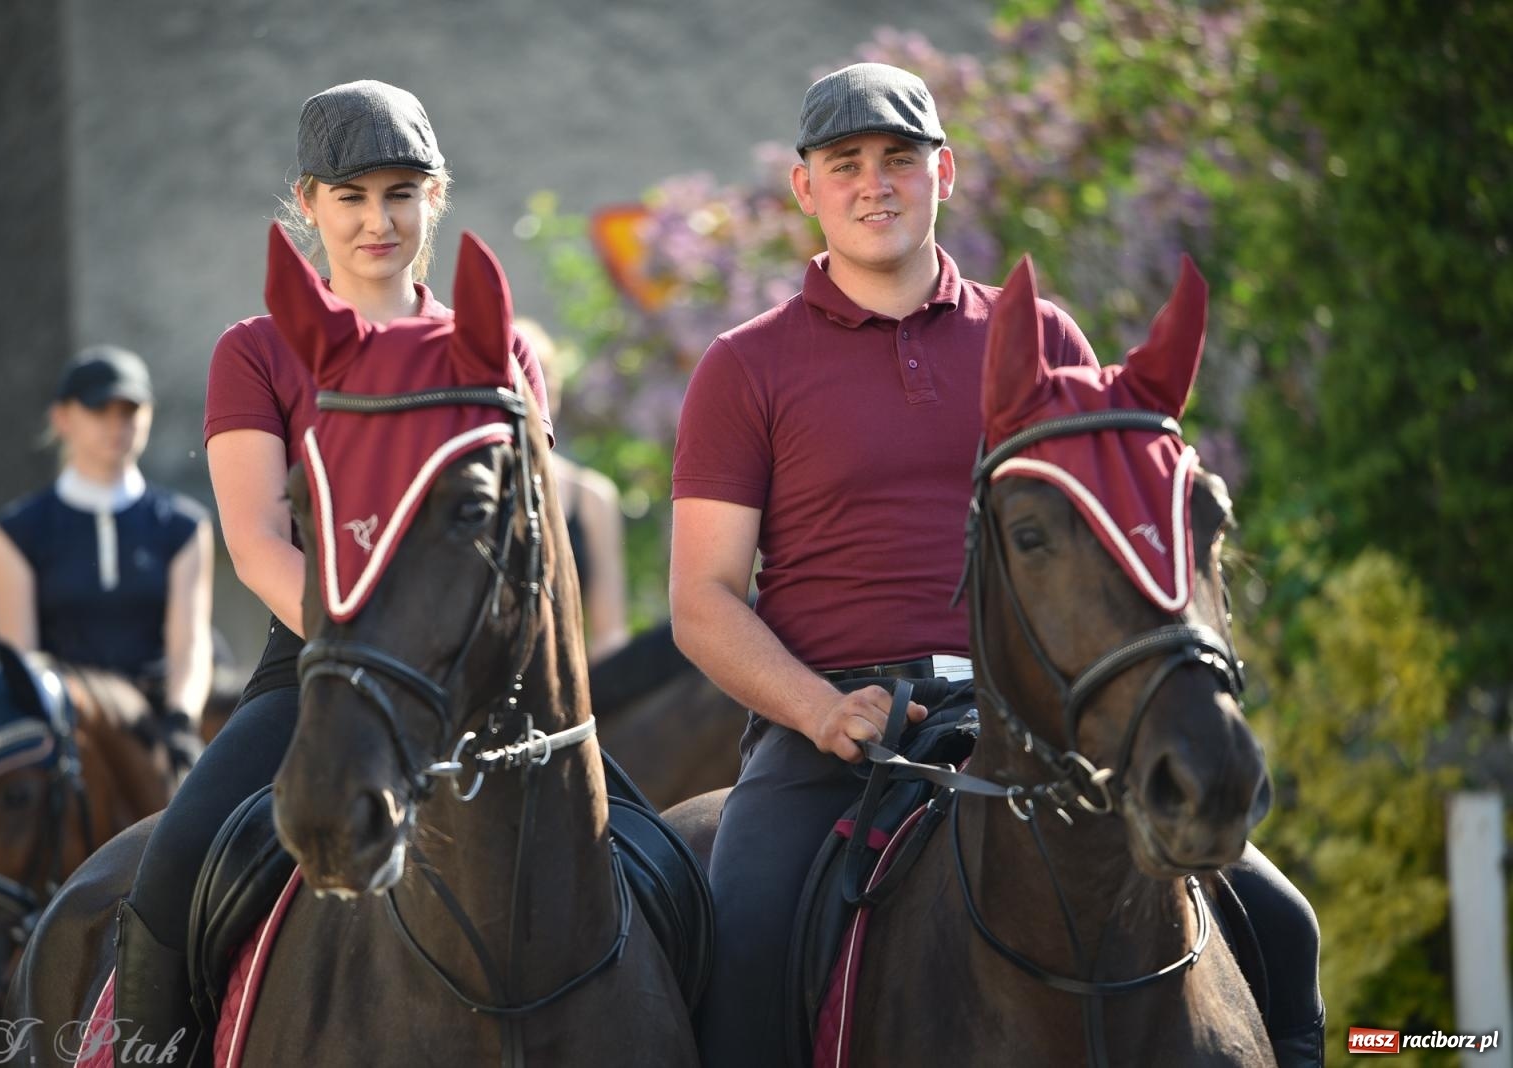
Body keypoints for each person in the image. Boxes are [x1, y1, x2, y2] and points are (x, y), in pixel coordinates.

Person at [670, 63, 1325, 1067]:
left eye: (900, 158)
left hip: (1041, 720)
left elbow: (1108, 542)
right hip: (833, 737)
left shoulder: (1043, 338)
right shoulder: (744, 365)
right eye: (845, 163)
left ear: (945, 172)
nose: (874, 183)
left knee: (1282, 925)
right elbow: (702, 600)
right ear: (805, 188)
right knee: (744, 948)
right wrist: (819, 710)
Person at [113, 80, 551, 1066]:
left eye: (400, 194)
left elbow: (531, 542)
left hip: (491, 685)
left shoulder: (499, 351)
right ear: (308, 204)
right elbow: (257, 542)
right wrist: (376, 656)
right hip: (321, 668)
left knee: (660, 863)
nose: (376, 221)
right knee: (172, 871)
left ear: (434, 197)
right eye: (350, 197)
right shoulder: (256, 352)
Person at [0, 345, 213, 771]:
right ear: (62, 418)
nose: (116, 424)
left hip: (158, 726)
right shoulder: (16, 533)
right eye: (99, 409)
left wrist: (182, 720)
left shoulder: (184, 527)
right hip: (66, 732)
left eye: (129, 411)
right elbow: (22, 662)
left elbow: (190, 644)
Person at [515, 316, 630, 661]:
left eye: (546, 373)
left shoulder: (592, 496)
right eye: (527, 372)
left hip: (566, 676)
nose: (539, 384)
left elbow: (610, 632)